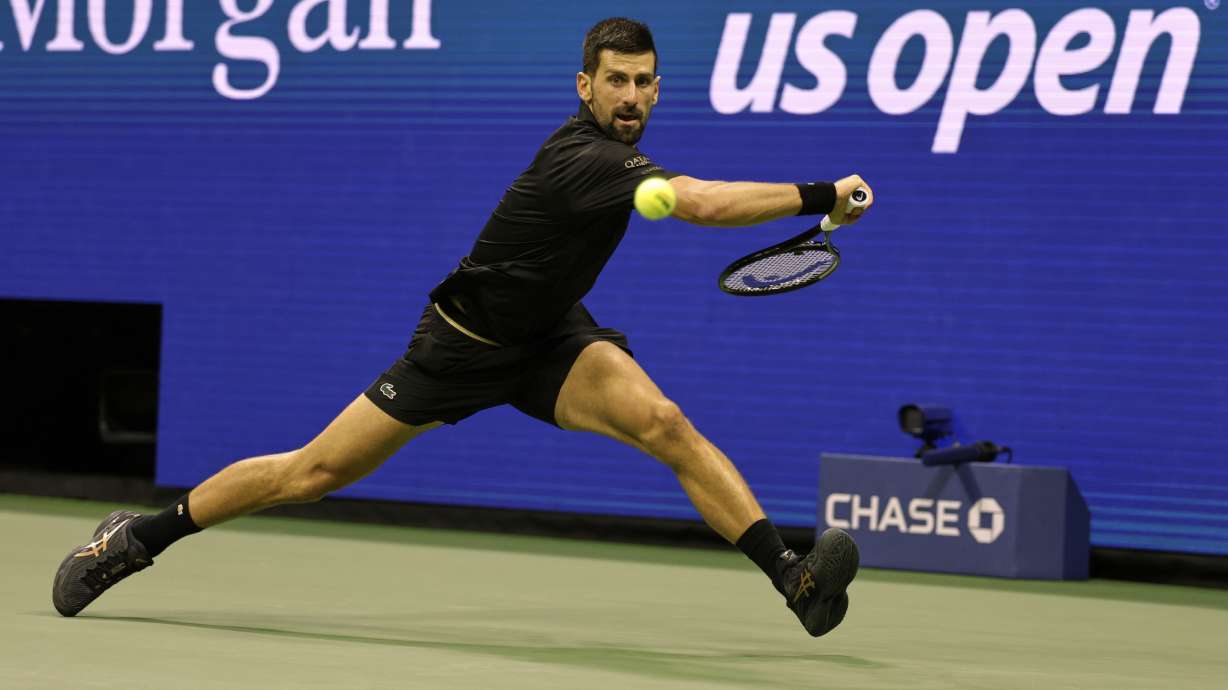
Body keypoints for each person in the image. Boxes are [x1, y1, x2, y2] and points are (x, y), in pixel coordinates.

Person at [52, 17, 874, 637]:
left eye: (644, 82)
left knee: (665, 424)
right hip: (459, 347)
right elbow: (697, 203)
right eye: (615, 81)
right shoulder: (584, 157)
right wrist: (818, 194)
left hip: (550, 338)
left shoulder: (621, 150)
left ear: (658, 89)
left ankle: (794, 581)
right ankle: (133, 541)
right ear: (584, 87)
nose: (630, 97)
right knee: (309, 473)